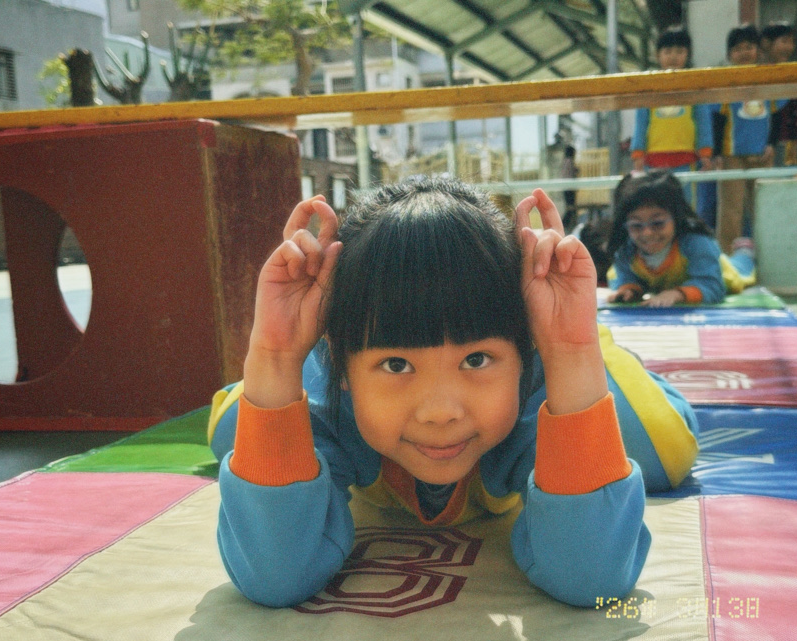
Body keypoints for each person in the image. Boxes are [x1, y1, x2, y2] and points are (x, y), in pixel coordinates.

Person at [209, 177, 699, 609]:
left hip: (552, 358)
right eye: (397, 364)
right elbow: (274, 576)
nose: (440, 412)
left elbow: (592, 579)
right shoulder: (325, 411)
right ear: (339, 362)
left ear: (525, 347)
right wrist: (274, 357)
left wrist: (572, 351)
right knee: (237, 425)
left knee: (661, 443)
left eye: (476, 359)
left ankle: (594, 346)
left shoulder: (536, 400)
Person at [607, 170, 755, 307]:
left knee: (741, 267)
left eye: (658, 223)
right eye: (636, 225)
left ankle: (745, 250)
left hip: (722, 270)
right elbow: (623, 276)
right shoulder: (626, 249)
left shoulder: (697, 243)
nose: (647, 233)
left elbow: (713, 285)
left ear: (677, 218)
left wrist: (678, 294)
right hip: (669, 284)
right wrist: (629, 289)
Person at [712, 24, 782, 254]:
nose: (744, 53)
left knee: (763, 206)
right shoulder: (726, 81)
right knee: (730, 209)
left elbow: (776, 114)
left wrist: (772, 143)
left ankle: (767, 253)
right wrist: (717, 153)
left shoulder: (766, 78)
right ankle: (728, 255)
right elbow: (718, 118)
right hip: (731, 154)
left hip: (763, 153)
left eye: (749, 47)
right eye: (738, 49)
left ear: (758, 50)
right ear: (729, 55)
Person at [630, 25, 714, 197]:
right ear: (658, 55)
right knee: (657, 203)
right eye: (668, 52)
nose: (673, 57)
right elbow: (641, 122)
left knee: (686, 204)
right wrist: (638, 153)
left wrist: (705, 152)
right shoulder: (649, 86)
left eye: (679, 51)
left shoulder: (694, 85)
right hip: (653, 161)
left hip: (687, 159)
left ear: (687, 54)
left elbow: (703, 121)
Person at [761, 22, 797, 167]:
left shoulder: (794, 76)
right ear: (766, 43)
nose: (789, 47)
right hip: (763, 147)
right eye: (784, 41)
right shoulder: (758, 75)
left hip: (792, 146)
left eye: (791, 42)